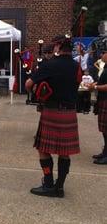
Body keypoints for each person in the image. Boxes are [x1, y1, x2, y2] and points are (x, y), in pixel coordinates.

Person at [25, 35, 80, 198]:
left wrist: (35, 90)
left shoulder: (50, 65)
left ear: (58, 47)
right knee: (65, 152)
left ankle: (48, 183)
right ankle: (59, 187)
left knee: (43, 149)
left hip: (51, 111)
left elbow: (28, 84)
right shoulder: (77, 66)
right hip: (69, 112)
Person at [86, 50, 107, 164]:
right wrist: (95, 84)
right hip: (103, 100)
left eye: (104, 52)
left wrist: (96, 87)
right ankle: (105, 152)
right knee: (104, 130)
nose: (101, 55)